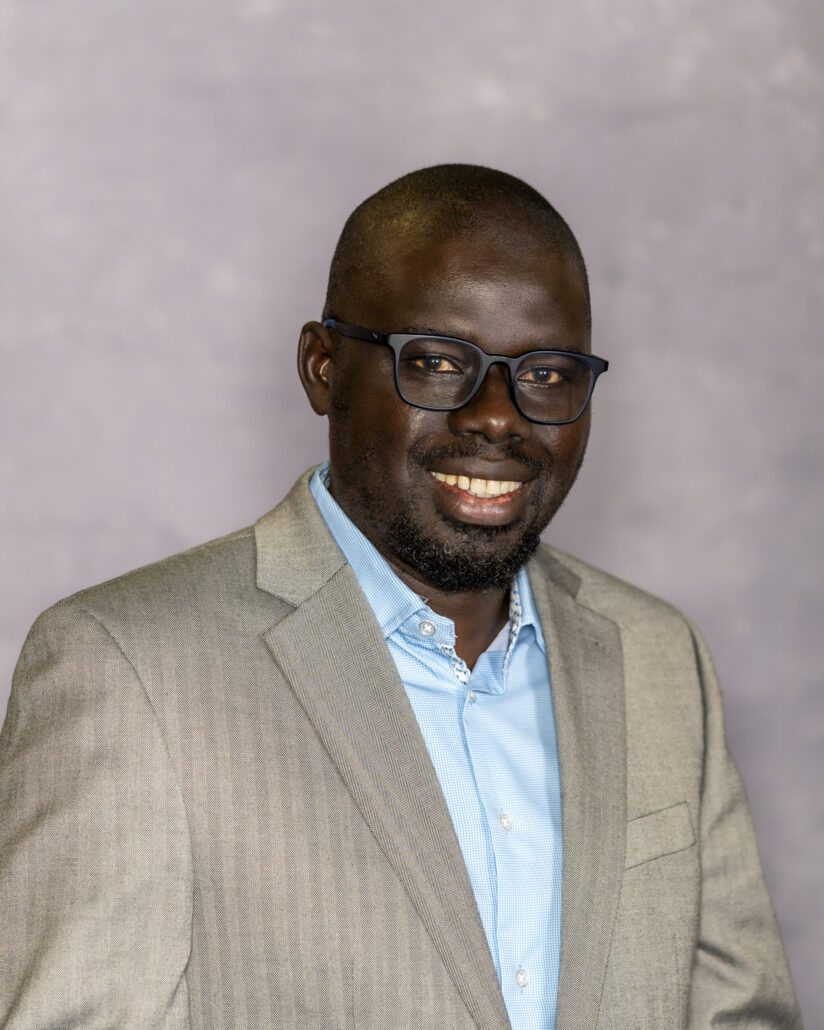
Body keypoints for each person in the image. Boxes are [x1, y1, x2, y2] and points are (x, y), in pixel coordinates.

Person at [0, 164, 802, 1030]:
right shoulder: (127, 669)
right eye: (438, 362)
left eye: (546, 374)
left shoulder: (658, 657)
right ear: (322, 368)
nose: (497, 416)